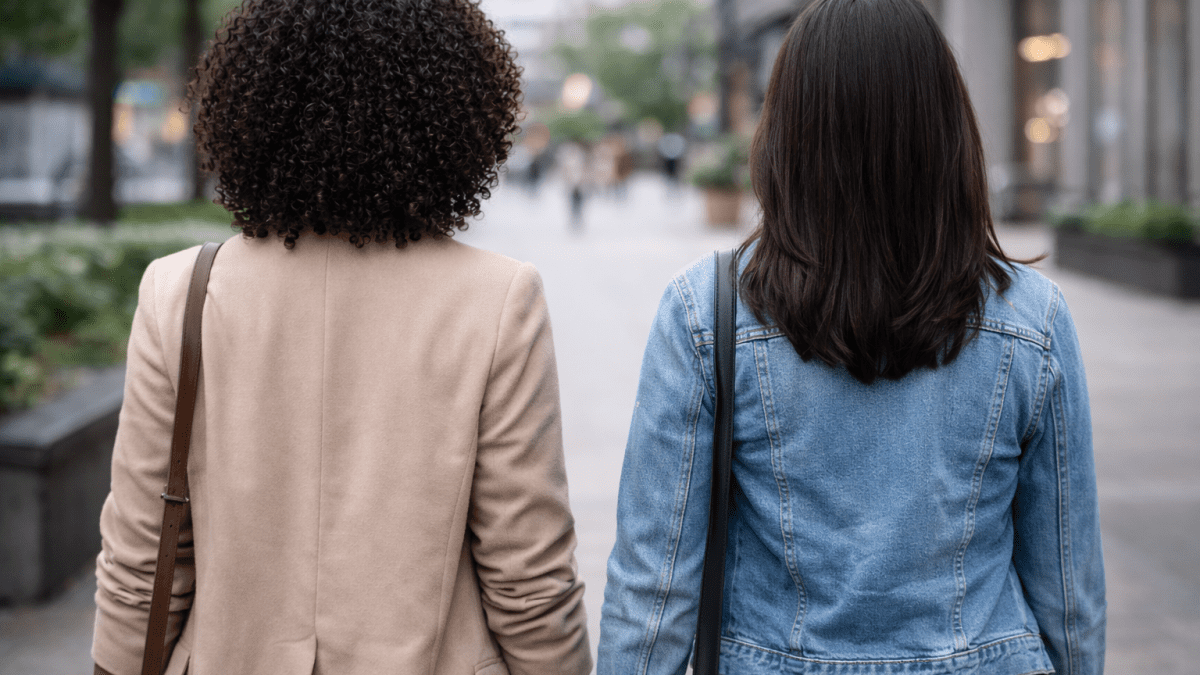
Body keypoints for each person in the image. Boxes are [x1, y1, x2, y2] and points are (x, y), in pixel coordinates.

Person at [597, 1, 1104, 674]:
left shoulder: (707, 311)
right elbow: (1068, 591)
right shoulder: (1032, 318)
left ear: (786, 133)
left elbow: (653, 589)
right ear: (947, 131)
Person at [91, 1, 591, 674]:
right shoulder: (498, 298)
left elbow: (144, 559)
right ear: (451, 113)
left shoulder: (181, 290)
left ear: (251, 105)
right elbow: (527, 574)